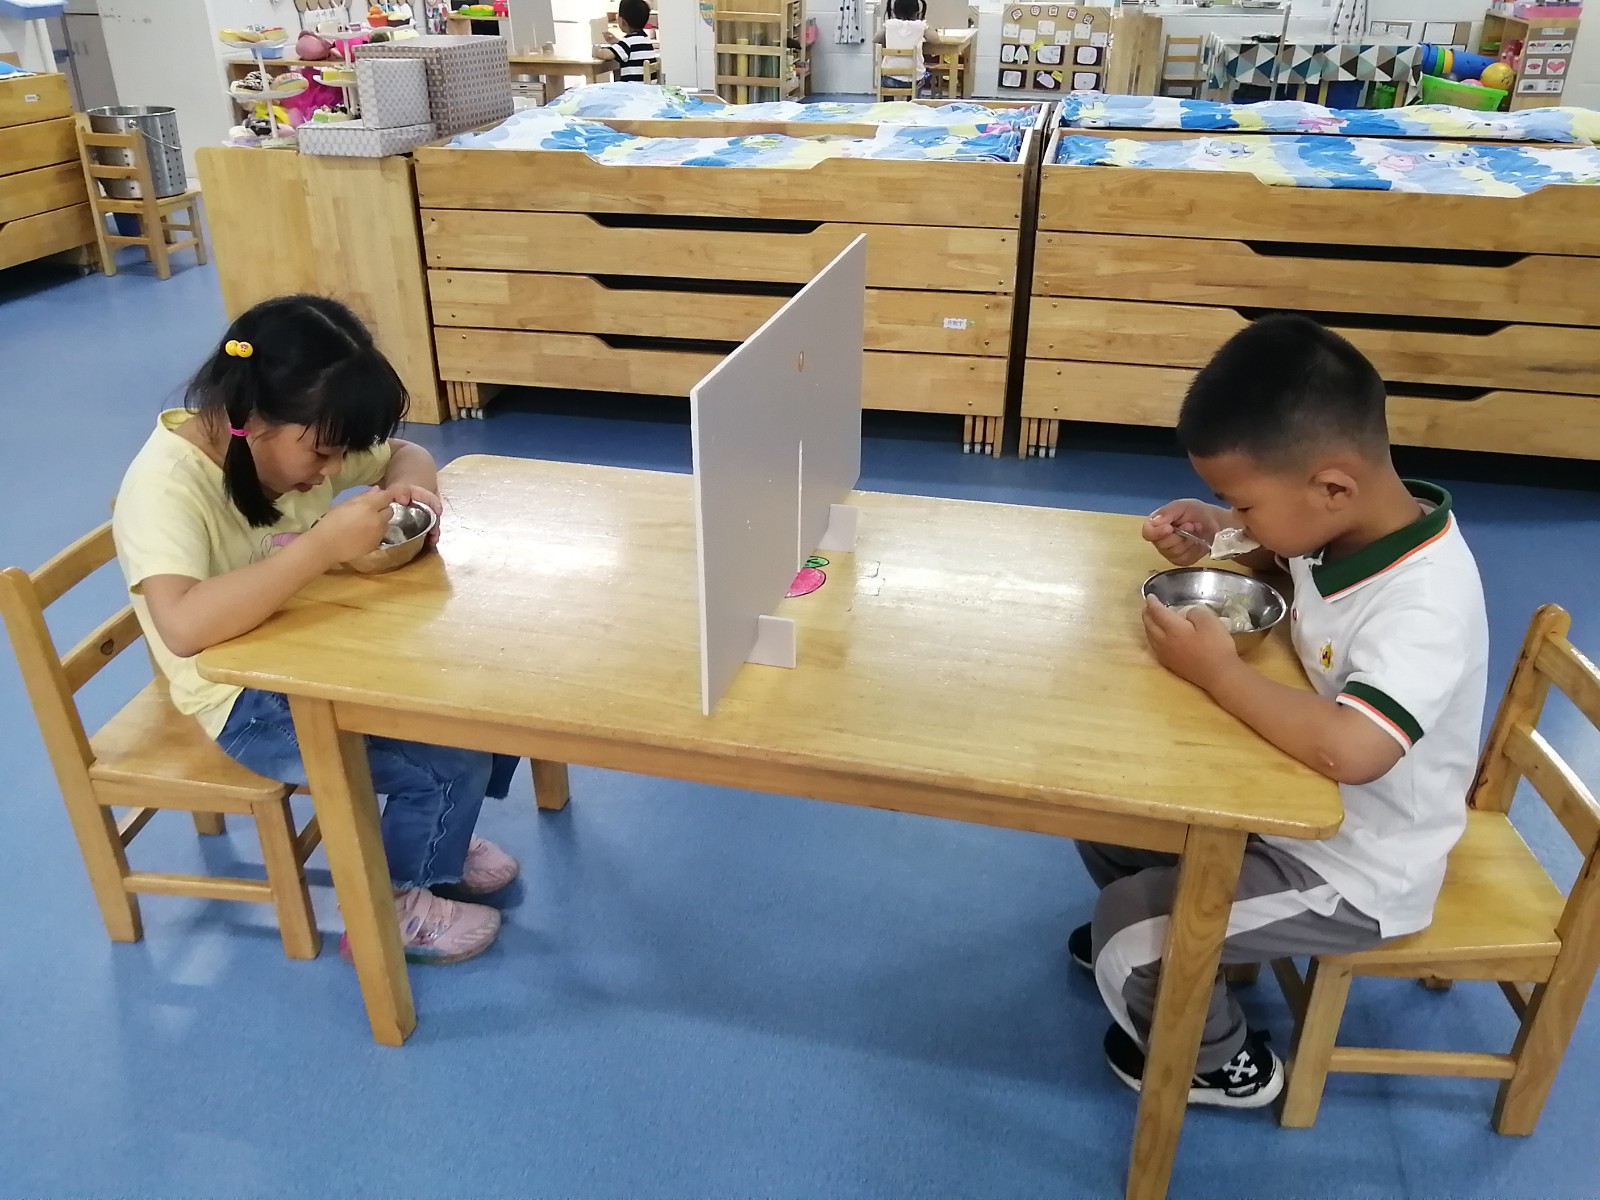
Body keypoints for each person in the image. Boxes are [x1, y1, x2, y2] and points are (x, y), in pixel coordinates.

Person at [1071, 314, 1489, 1108]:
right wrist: (1222, 533)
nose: (1239, 516)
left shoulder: (1426, 603)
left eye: (1243, 501)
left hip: (1357, 867)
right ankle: (1194, 959)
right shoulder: (1346, 525)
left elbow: (1354, 750)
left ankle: (1225, 1064)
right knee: (1106, 811)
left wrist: (1220, 675)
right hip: (1293, 809)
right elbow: (1290, 556)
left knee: (1126, 935)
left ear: (1331, 487)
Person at [113, 294, 521, 966]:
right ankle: (387, 909)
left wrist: (416, 493)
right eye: (324, 453)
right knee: (450, 762)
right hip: (242, 704)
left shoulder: (291, 438)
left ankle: (435, 839)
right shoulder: (166, 487)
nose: (333, 470)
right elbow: (182, 626)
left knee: (481, 699)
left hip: (307, 658)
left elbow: (406, 453)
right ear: (252, 420)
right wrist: (320, 547)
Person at [595, 0, 660, 83]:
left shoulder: (627, 42)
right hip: (647, 88)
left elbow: (607, 55)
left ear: (622, 21)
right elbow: (630, 49)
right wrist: (616, 42)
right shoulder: (645, 39)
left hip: (632, 88)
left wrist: (596, 51)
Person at [879, 0, 929, 92]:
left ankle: (888, 100)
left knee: (886, 78)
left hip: (889, 79)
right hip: (913, 80)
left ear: (893, 12)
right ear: (917, 13)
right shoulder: (920, 26)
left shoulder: (890, 25)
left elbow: (875, 38)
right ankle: (913, 100)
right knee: (921, 78)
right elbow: (936, 39)